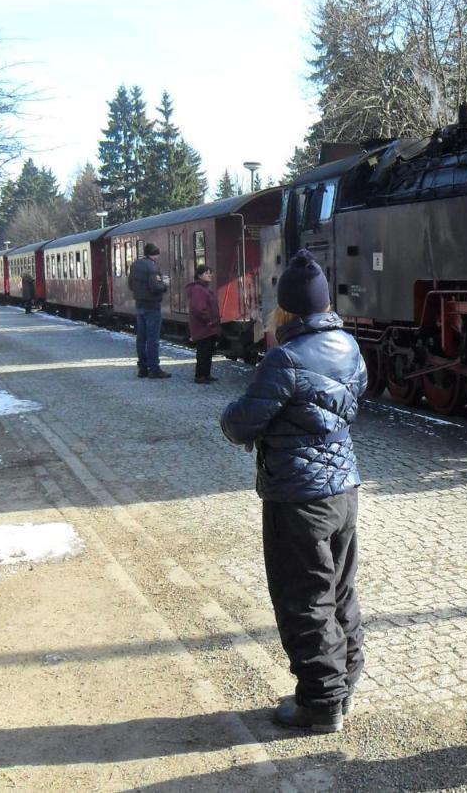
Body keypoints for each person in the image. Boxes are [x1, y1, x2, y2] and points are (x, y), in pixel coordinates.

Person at [220, 250, 368, 734]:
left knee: (303, 596)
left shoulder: (283, 358)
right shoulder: (348, 345)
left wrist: (231, 419)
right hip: (344, 489)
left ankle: (320, 704)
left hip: (298, 496)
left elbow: (242, 422)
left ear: (285, 308)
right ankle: (342, 684)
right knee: (339, 590)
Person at [127, 243, 170, 379]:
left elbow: (130, 284)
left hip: (139, 305)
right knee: (153, 339)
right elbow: (155, 287)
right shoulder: (152, 266)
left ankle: (142, 368)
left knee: (141, 338)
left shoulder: (135, 265)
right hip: (152, 306)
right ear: (155, 254)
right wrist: (165, 285)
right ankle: (154, 369)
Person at [187, 264, 221, 384]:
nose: (210, 275)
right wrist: (209, 320)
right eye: (207, 273)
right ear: (200, 275)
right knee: (203, 351)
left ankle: (206, 374)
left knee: (208, 351)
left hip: (208, 327)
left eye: (210, 272)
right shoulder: (198, 289)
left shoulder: (203, 288)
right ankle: (200, 375)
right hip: (204, 326)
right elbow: (199, 307)